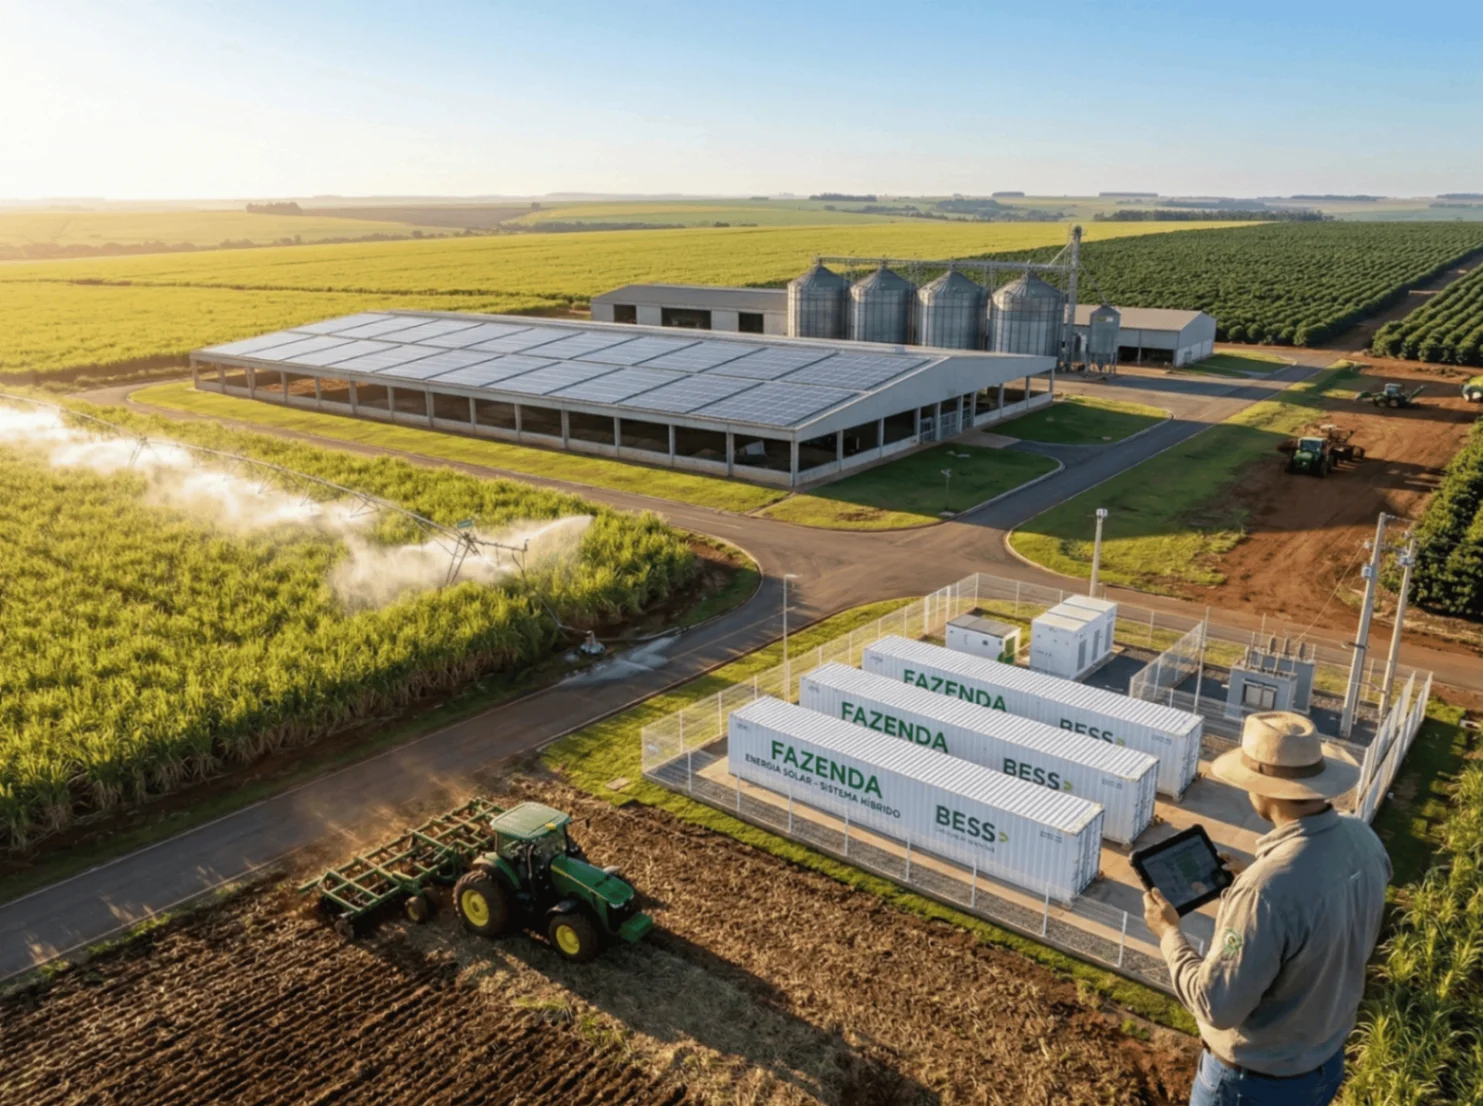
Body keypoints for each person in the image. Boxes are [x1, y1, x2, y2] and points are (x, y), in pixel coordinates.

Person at [1142, 711, 1391, 1106]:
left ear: (1265, 790)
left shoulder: (1265, 892)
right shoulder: (1363, 839)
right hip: (1323, 1067)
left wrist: (1169, 932)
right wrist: (1254, 878)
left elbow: (1216, 1005)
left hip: (1251, 1087)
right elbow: (1317, 910)